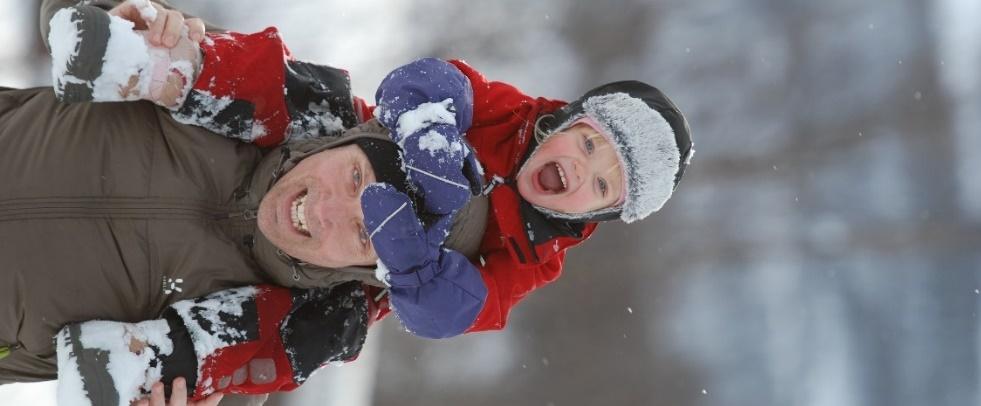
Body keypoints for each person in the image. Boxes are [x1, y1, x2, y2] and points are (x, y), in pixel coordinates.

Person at [1, 1, 487, 405]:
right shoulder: (237, 86)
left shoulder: (237, 369)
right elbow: (67, 16)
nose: (324, 210)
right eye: (356, 177)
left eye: (364, 233)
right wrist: (126, 13)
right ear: (349, 141)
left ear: (360, 274)